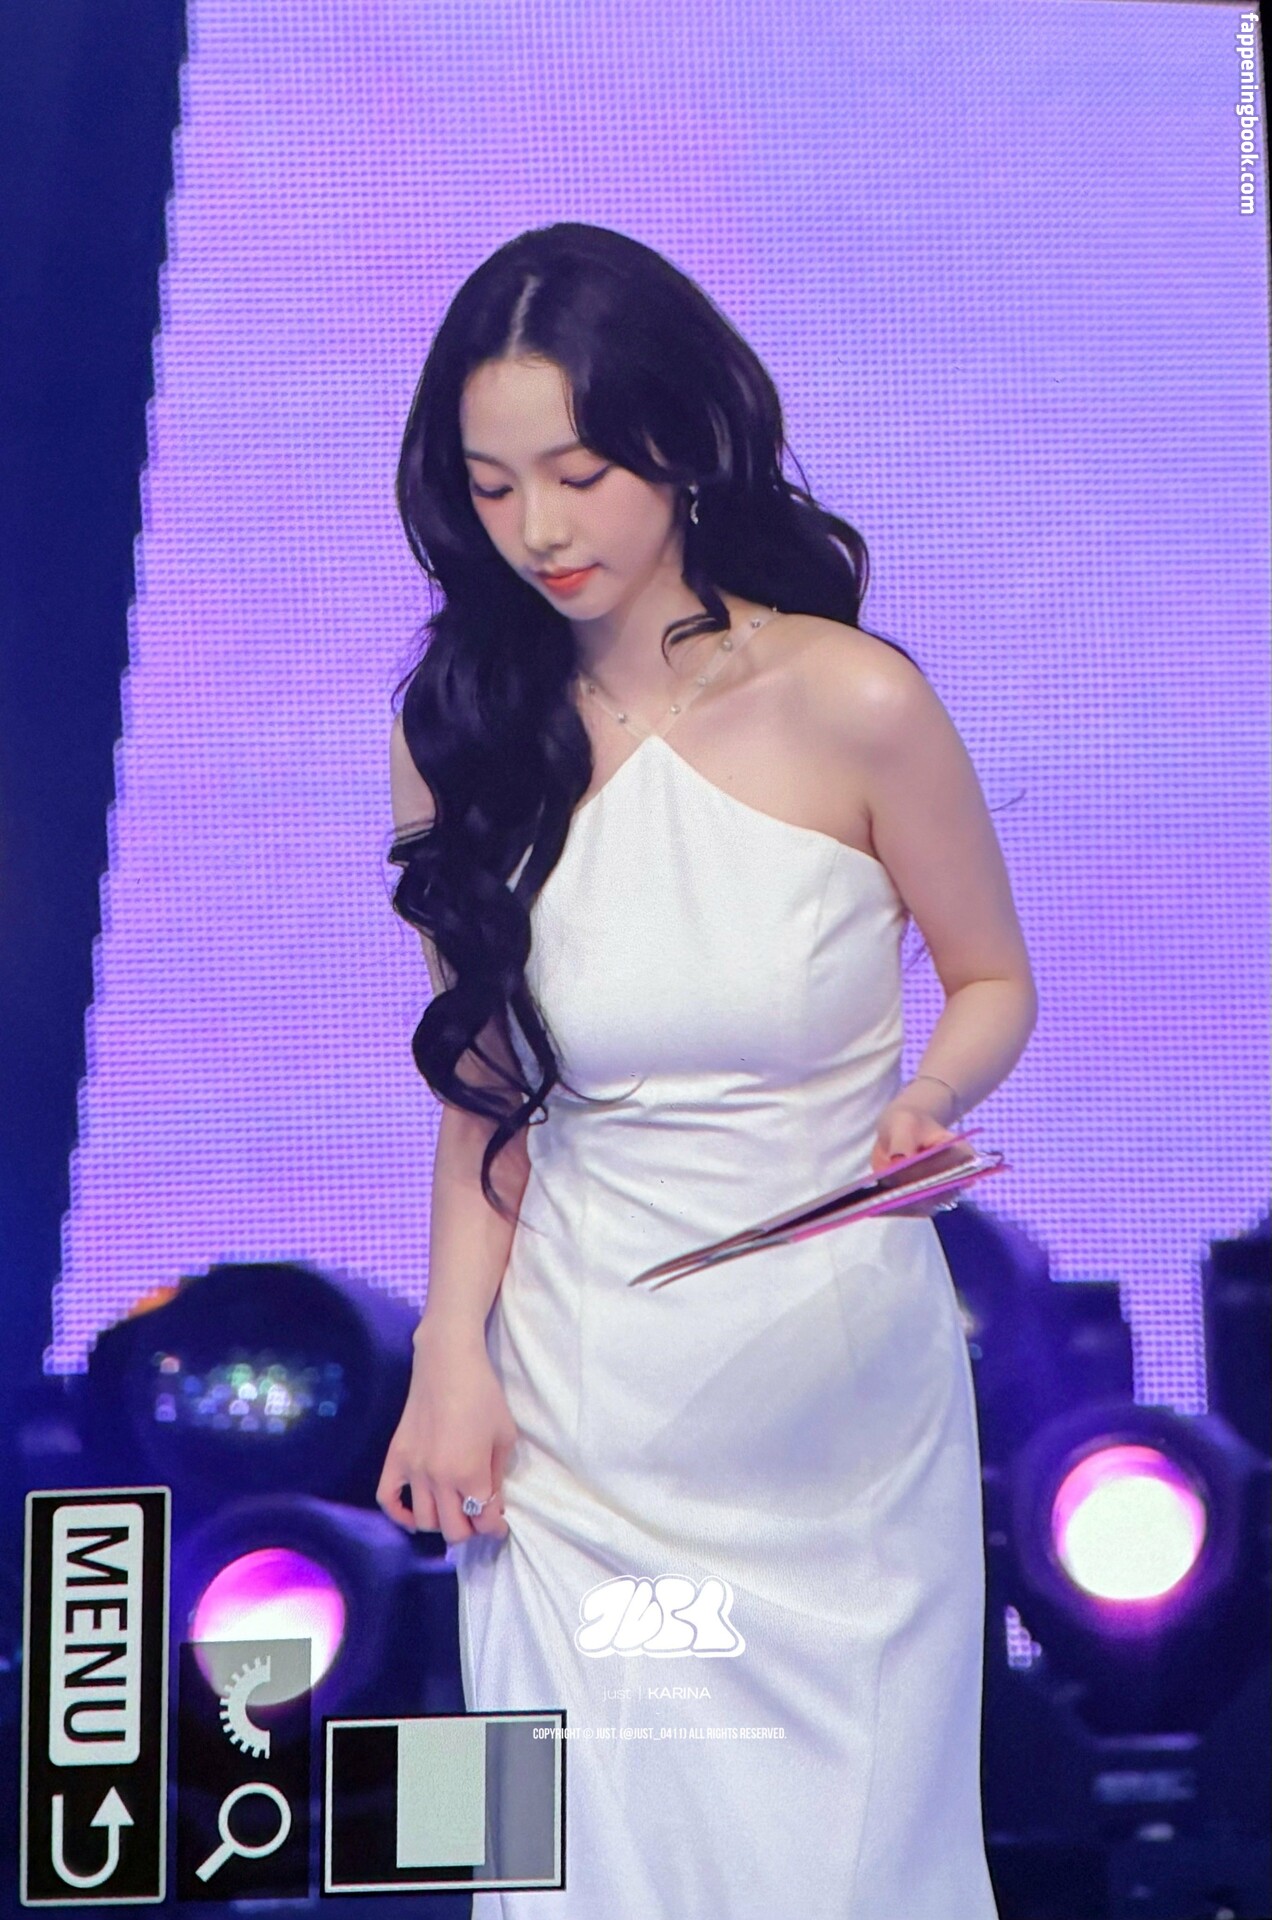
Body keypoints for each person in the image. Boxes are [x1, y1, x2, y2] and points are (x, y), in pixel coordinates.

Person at [377, 222, 1036, 1918]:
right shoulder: (459, 730)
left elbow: (992, 980)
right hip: (574, 1406)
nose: (539, 529)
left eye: (579, 475)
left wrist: (928, 1102)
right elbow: (485, 1092)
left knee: (848, 1865)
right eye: (494, 486)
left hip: (827, 1405)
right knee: (558, 1867)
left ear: (677, 445)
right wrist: (450, 1357)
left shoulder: (854, 698)